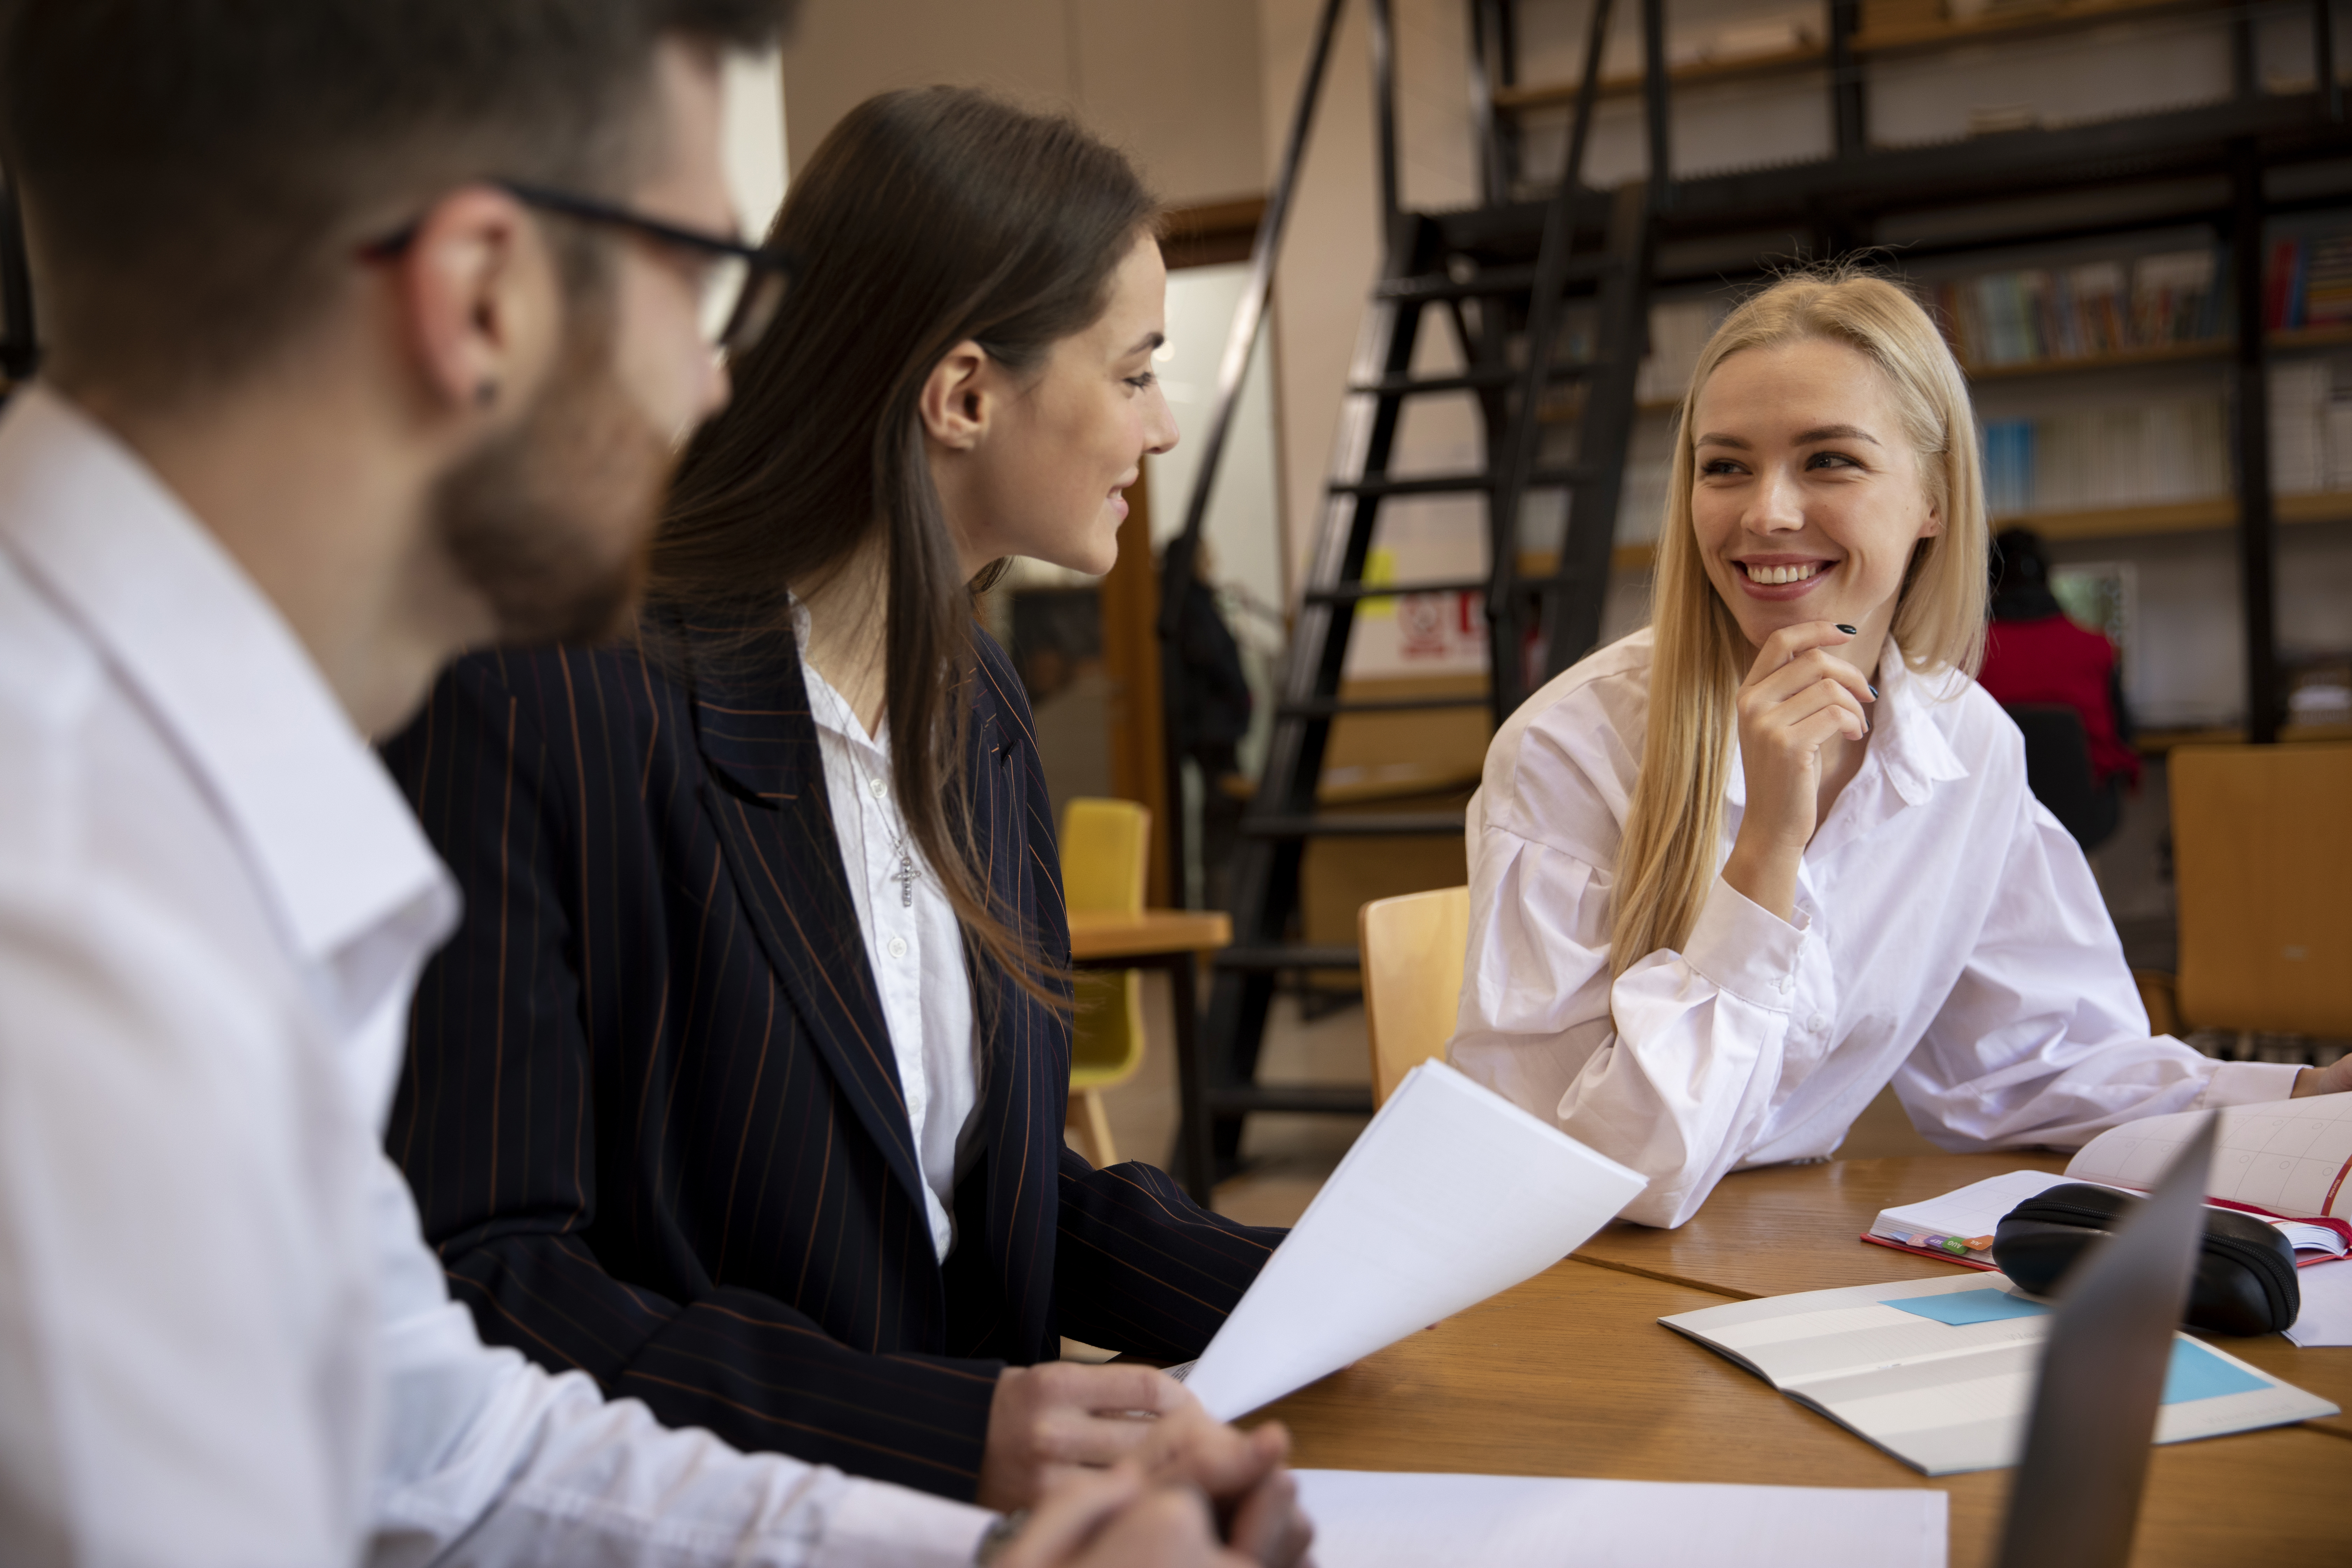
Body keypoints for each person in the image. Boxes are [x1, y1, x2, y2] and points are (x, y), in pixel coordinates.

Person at [0, 5, 1305, 1564]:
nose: (714, 384)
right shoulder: (73, 907)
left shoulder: (198, 790)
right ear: (482, 301)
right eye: (704, 284)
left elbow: (452, 1446)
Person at [378, 87, 1293, 1517]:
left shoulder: (977, 711)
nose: (1163, 427)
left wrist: (1318, 1286)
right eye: (1135, 372)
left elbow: (974, 1177)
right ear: (966, 392)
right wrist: (936, 1431)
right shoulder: (544, 699)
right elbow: (490, 1277)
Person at [1446, 267, 2351, 1230]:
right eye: (1726, 467)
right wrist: (1766, 858)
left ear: (1934, 499)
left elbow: (2032, 1063)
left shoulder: (1966, 742)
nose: (1768, 514)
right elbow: (1577, 1170)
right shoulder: (1570, 747)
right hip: (1569, 1271)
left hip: (1763, 1246)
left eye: (1829, 460)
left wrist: (2309, 1091)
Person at [1975, 526, 2136, 848]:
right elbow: (2125, 736)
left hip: (1992, 817)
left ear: (1989, 581)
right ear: (2047, 578)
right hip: (2084, 815)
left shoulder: (1967, 654)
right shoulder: (2097, 648)